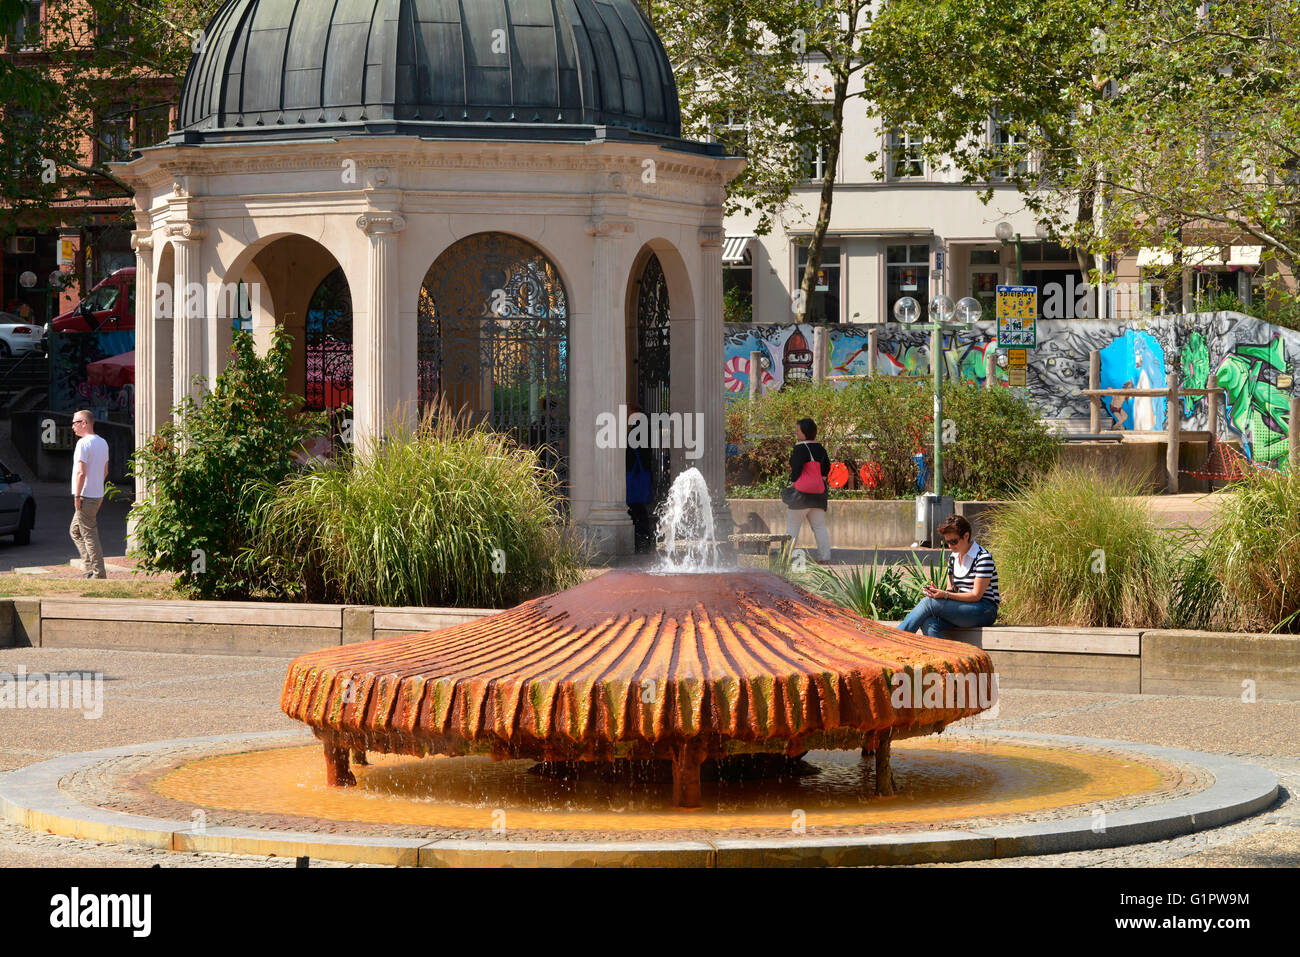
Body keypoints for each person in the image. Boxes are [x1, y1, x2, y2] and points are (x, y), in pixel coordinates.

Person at [898, 515, 999, 639]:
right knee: (929, 623)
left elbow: (976, 595)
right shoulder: (953, 557)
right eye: (947, 542)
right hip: (964, 608)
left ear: (966, 536)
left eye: (954, 541)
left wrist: (944, 596)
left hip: (985, 610)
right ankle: (943, 657)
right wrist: (938, 593)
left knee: (928, 603)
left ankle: (896, 639)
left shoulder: (983, 558)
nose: (950, 546)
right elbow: (951, 590)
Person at [783, 417, 832, 562]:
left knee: (792, 527)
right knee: (819, 527)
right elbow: (827, 467)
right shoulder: (820, 448)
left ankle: (787, 557)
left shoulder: (800, 448)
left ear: (805, 432)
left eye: (798, 430)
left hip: (801, 496)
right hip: (818, 495)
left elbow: (796, 468)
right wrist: (820, 478)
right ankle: (825, 557)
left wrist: (793, 482)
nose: (796, 433)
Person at [70, 409, 110, 579]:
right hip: (97, 495)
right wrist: (95, 486)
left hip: (85, 496)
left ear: (84, 423)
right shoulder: (103, 442)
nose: (73, 426)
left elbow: (81, 472)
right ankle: (89, 567)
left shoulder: (83, 443)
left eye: (75, 422)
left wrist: (77, 496)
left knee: (89, 535)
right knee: (75, 530)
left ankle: (99, 573)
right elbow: (105, 471)